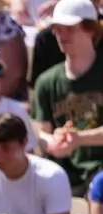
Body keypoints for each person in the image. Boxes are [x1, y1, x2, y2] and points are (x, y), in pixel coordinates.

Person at [33, 0, 103, 197]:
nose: (62, 35)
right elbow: (41, 132)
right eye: (57, 29)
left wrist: (79, 139)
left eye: (69, 28)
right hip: (64, 174)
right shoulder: (46, 81)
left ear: (90, 29)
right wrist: (53, 142)